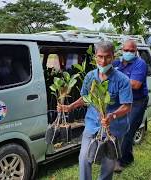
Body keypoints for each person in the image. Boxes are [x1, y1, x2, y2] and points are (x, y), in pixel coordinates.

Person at [58, 41, 133, 180]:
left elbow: (127, 106)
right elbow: (85, 98)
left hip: (114, 128)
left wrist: (112, 115)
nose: (103, 61)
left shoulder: (122, 80)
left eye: (107, 57)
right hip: (92, 124)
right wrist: (69, 107)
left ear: (113, 57)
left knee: (108, 164)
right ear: (95, 57)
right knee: (84, 159)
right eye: (100, 56)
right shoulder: (90, 76)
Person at [112, 40, 149, 171]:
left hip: (137, 101)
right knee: (118, 128)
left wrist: (115, 80)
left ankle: (121, 161)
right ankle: (128, 157)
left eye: (131, 50)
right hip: (122, 100)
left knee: (127, 130)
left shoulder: (140, 64)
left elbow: (135, 84)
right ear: (122, 50)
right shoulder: (117, 63)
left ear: (136, 50)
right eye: (126, 50)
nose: (128, 53)